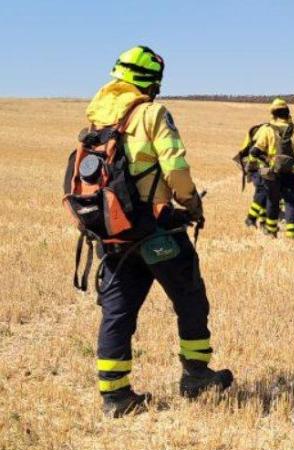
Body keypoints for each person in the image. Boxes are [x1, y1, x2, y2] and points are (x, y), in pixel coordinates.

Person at [84, 46, 233, 417]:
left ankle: (115, 396)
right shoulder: (151, 113)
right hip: (156, 231)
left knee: (118, 312)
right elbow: (176, 169)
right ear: (150, 81)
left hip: (115, 234)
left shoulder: (97, 119)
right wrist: (192, 205)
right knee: (191, 298)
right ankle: (196, 376)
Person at [244, 99, 294, 238]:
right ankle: (292, 236)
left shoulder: (267, 130)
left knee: (272, 201)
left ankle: (271, 231)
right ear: (287, 113)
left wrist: (266, 163)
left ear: (273, 114)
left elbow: (254, 152)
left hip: (270, 174)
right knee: (290, 203)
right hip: (291, 174)